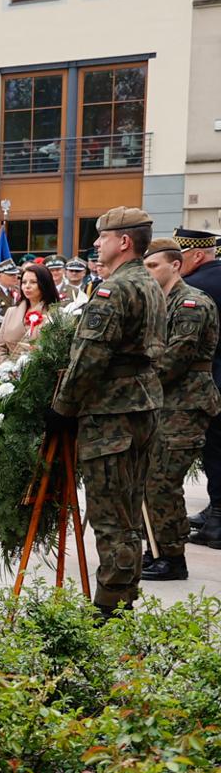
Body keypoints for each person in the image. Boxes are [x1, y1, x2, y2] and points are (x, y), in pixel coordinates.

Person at [49, 207, 165, 620]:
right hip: (142, 405)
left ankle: (109, 609)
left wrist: (62, 406)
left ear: (124, 242)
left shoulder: (112, 290)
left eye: (102, 237)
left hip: (111, 414)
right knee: (129, 511)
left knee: (110, 516)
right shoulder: (149, 283)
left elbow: (90, 355)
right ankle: (124, 595)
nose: (96, 244)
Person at [139, 238, 219, 582]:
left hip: (185, 405)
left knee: (162, 483)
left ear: (176, 264)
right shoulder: (157, 302)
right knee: (150, 481)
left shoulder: (191, 303)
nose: (148, 273)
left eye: (154, 266)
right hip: (163, 404)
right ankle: (156, 549)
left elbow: (174, 359)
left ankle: (172, 558)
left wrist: (128, 378)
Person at [175, 227, 221, 548]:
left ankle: (218, 517)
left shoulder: (194, 287)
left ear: (198, 255)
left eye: (182, 258)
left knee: (215, 447)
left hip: (212, 380)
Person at [0, 261, 62, 366]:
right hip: (10, 373)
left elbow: (59, 352)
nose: (27, 286)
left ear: (45, 284)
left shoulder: (57, 314)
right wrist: (6, 367)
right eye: (24, 282)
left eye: (33, 282)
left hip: (41, 374)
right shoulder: (11, 312)